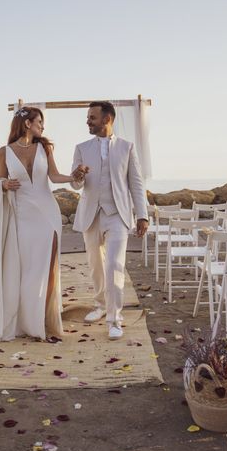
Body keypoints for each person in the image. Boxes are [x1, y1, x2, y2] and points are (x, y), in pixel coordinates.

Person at [0, 107, 77, 341]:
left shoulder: (44, 147)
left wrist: (74, 177)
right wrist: (4, 185)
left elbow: (54, 176)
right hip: (22, 216)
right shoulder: (4, 152)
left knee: (47, 269)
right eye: (39, 121)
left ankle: (43, 320)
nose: (43, 125)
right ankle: (25, 320)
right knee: (26, 270)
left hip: (47, 213)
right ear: (27, 123)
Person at [70, 101, 149, 340]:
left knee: (114, 264)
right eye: (87, 117)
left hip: (117, 215)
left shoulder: (127, 147)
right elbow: (75, 184)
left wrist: (142, 215)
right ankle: (101, 305)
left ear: (107, 119)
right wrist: (78, 175)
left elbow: (136, 183)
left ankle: (115, 319)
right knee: (95, 265)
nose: (88, 121)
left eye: (92, 117)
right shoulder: (81, 148)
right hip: (91, 215)